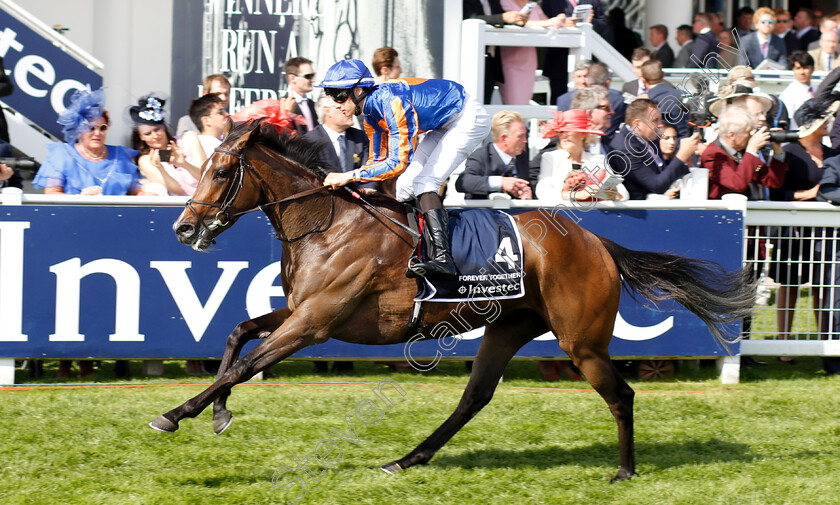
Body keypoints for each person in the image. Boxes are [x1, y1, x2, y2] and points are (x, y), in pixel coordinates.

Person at [319, 59, 490, 278]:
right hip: (442, 123)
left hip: (467, 117)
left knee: (426, 182)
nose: (337, 104)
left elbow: (398, 162)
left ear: (359, 90)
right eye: (333, 96)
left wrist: (349, 176)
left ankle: (443, 259)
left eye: (340, 96)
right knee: (404, 188)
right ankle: (417, 246)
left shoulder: (391, 104)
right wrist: (353, 183)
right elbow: (375, 161)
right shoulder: (370, 116)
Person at [32, 86, 142, 379]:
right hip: (68, 238)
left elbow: (139, 195)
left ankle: (93, 356)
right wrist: (79, 196)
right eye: (91, 127)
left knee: (103, 298)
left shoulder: (121, 157)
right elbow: (50, 195)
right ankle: (66, 361)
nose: (97, 132)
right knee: (68, 298)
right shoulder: (62, 155)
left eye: (103, 127)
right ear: (78, 128)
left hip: (116, 241)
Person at [768, 97, 840, 363]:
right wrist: (807, 195)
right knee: (790, 283)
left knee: (823, 285)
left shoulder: (832, 153)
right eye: (825, 119)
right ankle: (783, 344)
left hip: (826, 233)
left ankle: (825, 340)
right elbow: (775, 191)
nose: (830, 122)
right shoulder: (790, 152)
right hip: (793, 229)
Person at [607, 98, 699, 200]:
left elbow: (662, 173)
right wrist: (681, 156)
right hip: (636, 211)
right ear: (638, 124)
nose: (660, 124)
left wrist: (684, 163)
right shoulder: (624, 148)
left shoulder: (649, 138)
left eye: (660, 119)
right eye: (655, 120)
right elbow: (656, 185)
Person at [535, 109, 626, 202]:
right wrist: (575, 195)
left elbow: (623, 192)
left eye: (569, 131)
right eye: (561, 132)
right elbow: (542, 191)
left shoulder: (598, 159)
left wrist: (613, 194)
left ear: (583, 134)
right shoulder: (551, 158)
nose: (564, 135)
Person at [700, 106, 787, 200]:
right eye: (748, 132)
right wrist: (751, 151)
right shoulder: (713, 155)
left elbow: (772, 181)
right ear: (731, 135)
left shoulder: (743, 151)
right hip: (724, 211)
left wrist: (777, 152)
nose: (751, 136)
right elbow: (737, 184)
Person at [540, 0, 612, 104]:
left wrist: (591, 22)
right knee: (559, 101)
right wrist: (561, 24)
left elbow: (605, 28)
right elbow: (541, 23)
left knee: (589, 101)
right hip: (558, 60)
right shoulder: (550, 1)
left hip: (586, 61)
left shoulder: (593, 1)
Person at [130, 94, 202, 196]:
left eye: (157, 129)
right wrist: (160, 168)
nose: (155, 136)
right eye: (148, 134)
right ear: (141, 136)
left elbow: (206, 177)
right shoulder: (146, 160)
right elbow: (177, 190)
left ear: (164, 127)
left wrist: (184, 164)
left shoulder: (189, 138)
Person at [305, 92, 376, 193]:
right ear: (327, 111)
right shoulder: (310, 141)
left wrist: (368, 188)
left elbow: (369, 167)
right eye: (342, 107)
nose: (349, 111)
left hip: (361, 200)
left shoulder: (360, 137)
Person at [496, 0, 565, 105]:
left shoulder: (534, 6)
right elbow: (513, 22)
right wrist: (548, 23)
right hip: (510, 62)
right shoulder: (505, 2)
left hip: (529, 62)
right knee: (515, 104)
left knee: (525, 102)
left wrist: (560, 20)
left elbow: (548, 22)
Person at [455, 110, 531, 200]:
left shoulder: (522, 157)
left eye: (525, 136)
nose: (525, 140)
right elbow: (463, 182)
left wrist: (526, 194)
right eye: (520, 136)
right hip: (483, 212)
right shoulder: (481, 156)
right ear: (504, 138)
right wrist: (501, 182)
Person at [462, 0, 528, 104]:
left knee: (486, 103)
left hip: (491, 61)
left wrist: (516, 19)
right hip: (471, 60)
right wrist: (503, 17)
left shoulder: (493, 1)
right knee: (472, 102)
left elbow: (501, 19)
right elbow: (470, 18)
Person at [641, 60, 689, 138]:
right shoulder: (683, 94)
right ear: (663, 75)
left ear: (643, 80)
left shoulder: (645, 101)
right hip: (687, 142)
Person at [779, 51, 816, 130]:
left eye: (806, 68)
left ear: (812, 69)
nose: (802, 72)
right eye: (798, 68)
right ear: (793, 70)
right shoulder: (789, 94)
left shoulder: (817, 89)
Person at [283, 56, 319, 133]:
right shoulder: (281, 106)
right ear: (292, 78)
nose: (313, 80)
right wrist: (287, 113)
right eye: (308, 76)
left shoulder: (313, 105)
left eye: (313, 75)